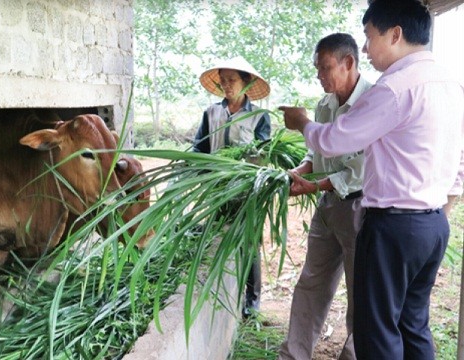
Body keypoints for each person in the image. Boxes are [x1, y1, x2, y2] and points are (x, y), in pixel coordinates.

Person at [279, 1, 464, 359]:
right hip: (432, 224)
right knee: (413, 324)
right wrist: (443, 209)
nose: (365, 47)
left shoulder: (393, 88)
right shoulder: (451, 85)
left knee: (376, 332)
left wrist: (302, 122)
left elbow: (334, 140)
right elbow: (460, 159)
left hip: (391, 226)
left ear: (395, 34)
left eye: (368, 36)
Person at [278, 33, 372, 360]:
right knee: (312, 282)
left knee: (361, 290)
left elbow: (361, 166)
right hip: (328, 207)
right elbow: (315, 152)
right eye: (317, 69)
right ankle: (294, 354)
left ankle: (353, 355)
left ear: (348, 63)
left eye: (325, 68)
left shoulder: (372, 102)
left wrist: (316, 185)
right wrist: (302, 171)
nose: (320, 76)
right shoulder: (324, 105)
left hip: (361, 208)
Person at [192, 56, 272, 318]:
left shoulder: (258, 117)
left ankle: (252, 299)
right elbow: (200, 147)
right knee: (216, 235)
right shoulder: (212, 113)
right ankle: (223, 290)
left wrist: (246, 166)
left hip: (246, 192)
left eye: (232, 80)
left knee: (248, 243)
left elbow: (263, 155)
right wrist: (191, 168)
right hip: (216, 191)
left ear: (246, 82)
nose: (226, 85)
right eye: (223, 81)